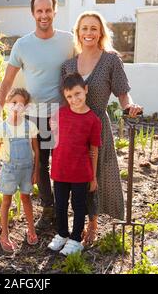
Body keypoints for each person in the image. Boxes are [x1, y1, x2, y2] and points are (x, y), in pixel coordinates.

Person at [0, 0, 75, 229]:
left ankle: (65, 209)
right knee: (40, 165)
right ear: (33, 13)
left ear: (55, 12)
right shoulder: (22, 45)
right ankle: (49, 209)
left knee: (64, 164)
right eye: (39, 11)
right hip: (34, 117)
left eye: (48, 10)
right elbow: (6, 82)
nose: (44, 15)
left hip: (62, 114)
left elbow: (85, 65)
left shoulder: (69, 41)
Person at [60, 11, 143, 245]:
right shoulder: (67, 65)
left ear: (100, 32)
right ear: (78, 32)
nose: (89, 32)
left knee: (96, 175)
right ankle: (73, 223)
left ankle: (93, 223)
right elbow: (63, 99)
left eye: (93, 28)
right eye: (84, 28)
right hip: (74, 130)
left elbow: (123, 94)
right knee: (76, 177)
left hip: (97, 126)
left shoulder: (110, 60)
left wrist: (130, 106)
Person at [47, 73, 102, 255]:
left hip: (80, 172)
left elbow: (94, 150)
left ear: (85, 90)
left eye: (77, 93)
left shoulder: (93, 120)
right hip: (60, 170)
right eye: (69, 96)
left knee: (78, 206)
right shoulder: (59, 114)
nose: (74, 99)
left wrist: (93, 177)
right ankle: (62, 234)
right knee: (60, 205)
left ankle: (76, 239)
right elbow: (55, 140)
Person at [0, 88, 40, 253]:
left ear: (26, 108)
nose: (17, 107)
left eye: (22, 104)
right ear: (7, 104)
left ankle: (31, 229)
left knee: (26, 199)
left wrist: (36, 171)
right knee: (6, 201)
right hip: (9, 170)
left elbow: (36, 151)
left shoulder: (29, 126)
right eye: (14, 103)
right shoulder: (2, 128)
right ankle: (4, 234)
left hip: (26, 169)